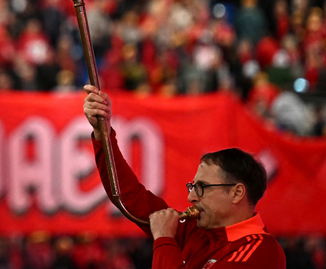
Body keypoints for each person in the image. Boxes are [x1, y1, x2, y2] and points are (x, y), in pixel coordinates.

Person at [82, 85, 285, 269]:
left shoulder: (261, 251)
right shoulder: (196, 230)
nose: (191, 198)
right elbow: (128, 196)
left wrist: (163, 240)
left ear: (237, 192)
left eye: (202, 188)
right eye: (193, 187)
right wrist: (103, 134)